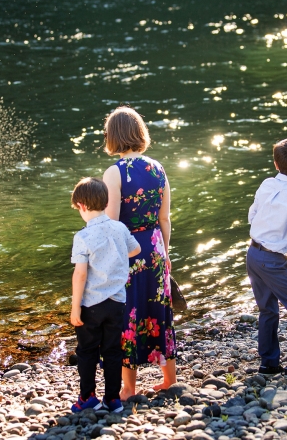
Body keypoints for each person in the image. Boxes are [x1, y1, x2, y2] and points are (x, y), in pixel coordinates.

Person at [101, 106, 177, 400]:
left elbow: (113, 222)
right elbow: (165, 218)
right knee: (160, 310)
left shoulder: (115, 172)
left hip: (129, 250)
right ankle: (169, 379)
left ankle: (129, 387)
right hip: (155, 246)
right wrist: (165, 253)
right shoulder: (157, 168)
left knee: (129, 312)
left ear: (114, 136)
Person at [69, 177, 141, 413]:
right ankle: (112, 399)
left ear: (82, 206)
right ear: (105, 201)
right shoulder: (119, 228)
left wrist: (75, 307)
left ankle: (88, 397)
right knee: (112, 351)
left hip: (91, 304)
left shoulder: (82, 237)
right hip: (116, 302)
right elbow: (136, 249)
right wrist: (116, 256)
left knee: (87, 351)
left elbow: (80, 274)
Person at [246, 138, 287, 378]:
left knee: (267, 310)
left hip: (252, 254)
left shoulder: (266, 184)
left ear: (275, 163)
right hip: (274, 259)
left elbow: (252, 215)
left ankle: (269, 363)